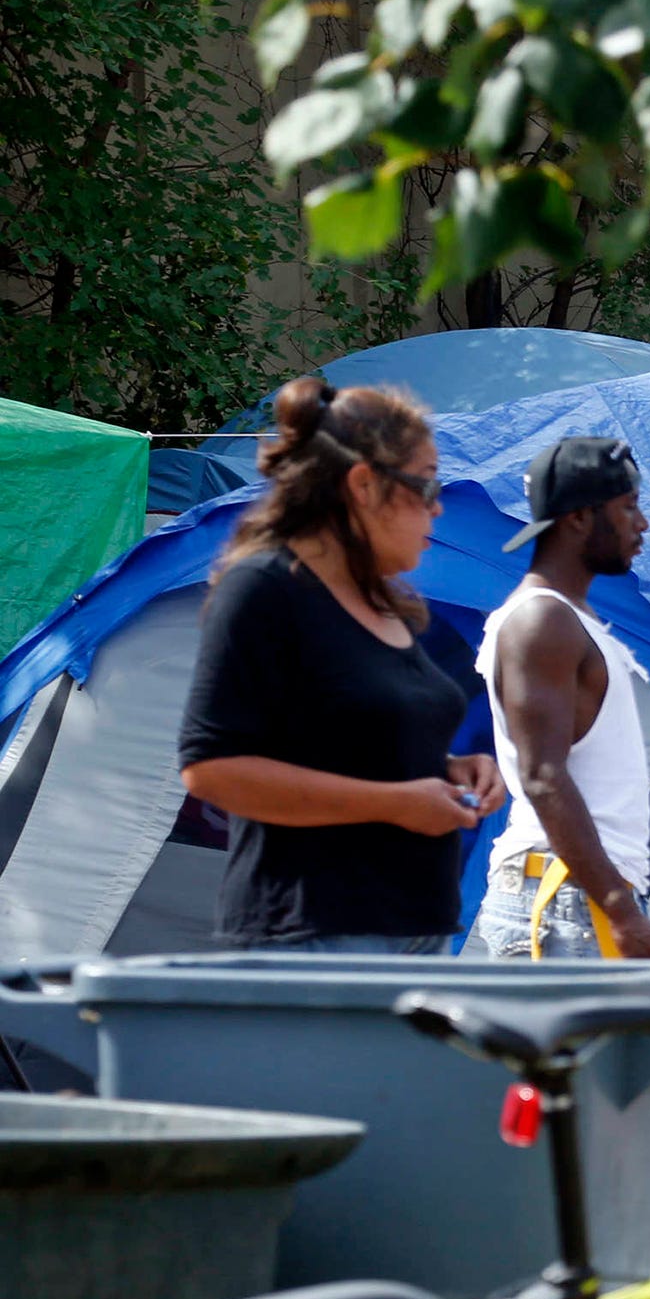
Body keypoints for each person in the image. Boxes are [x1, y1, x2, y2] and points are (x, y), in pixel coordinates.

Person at [177, 379, 497, 953]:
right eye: (426, 483)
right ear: (364, 485)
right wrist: (398, 803)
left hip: (412, 927)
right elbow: (213, 769)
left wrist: (448, 769)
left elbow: (345, 745)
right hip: (316, 933)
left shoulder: (383, 602)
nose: (438, 505)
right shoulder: (266, 588)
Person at [471, 437, 650, 960]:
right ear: (580, 519)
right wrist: (622, 913)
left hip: (582, 898)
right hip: (564, 901)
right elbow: (544, 776)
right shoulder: (542, 621)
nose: (643, 524)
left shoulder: (569, 618)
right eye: (628, 507)